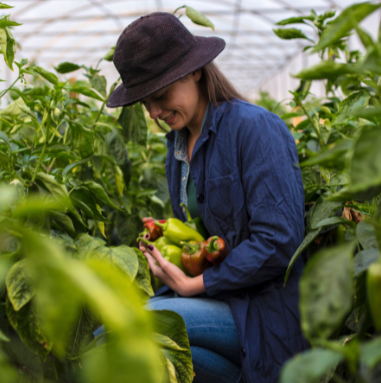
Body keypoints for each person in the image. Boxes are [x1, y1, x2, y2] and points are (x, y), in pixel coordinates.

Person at [104, 12, 309, 383]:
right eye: (144, 103)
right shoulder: (177, 147)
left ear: (195, 71)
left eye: (160, 95)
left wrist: (193, 285)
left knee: (116, 332)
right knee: (159, 357)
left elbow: (280, 241)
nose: (154, 112)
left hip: (262, 311)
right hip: (220, 302)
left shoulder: (254, 129)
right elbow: (202, 237)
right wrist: (169, 260)